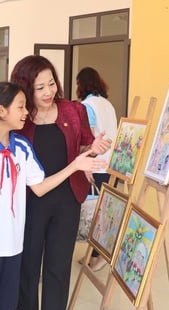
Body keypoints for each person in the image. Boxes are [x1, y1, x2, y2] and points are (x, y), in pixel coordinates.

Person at [0, 81, 107, 310]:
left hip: (14, 246)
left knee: (6, 306)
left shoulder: (23, 148)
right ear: (2, 111)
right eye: (21, 107)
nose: (27, 112)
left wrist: (74, 165)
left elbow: (40, 187)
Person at [10, 55, 111, 310]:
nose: (48, 92)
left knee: (58, 268)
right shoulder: (19, 119)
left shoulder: (72, 110)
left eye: (51, 84)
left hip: (67, 199)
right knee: (28, 268)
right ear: (25, 88)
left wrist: (95, 147)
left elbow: (86, 144)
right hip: (31, 201)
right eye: (40, 87)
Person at [76, 66, 118, 272]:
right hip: (113, 164)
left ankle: (99, 255)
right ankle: (97, 254)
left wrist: (87, 164)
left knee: (97, 214)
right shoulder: (107, 104)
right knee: (106, 211)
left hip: (98, 163)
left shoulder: (87, 105)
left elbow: (90, 136)